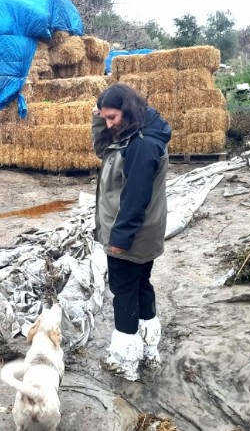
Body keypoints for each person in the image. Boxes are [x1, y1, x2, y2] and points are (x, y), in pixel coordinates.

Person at [91, 83, 172, 381]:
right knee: (140, 285)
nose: (108, 124)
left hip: (131, 235)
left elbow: (135, 198)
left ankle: (124, 359)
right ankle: (149, 347)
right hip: (144, 233)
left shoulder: (141, 145)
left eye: (112, 117)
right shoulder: (134, 133)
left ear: (128, 110)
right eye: (104, 118)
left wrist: (118, 242)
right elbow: (102, 148)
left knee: (124, 293)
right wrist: (99, 117)